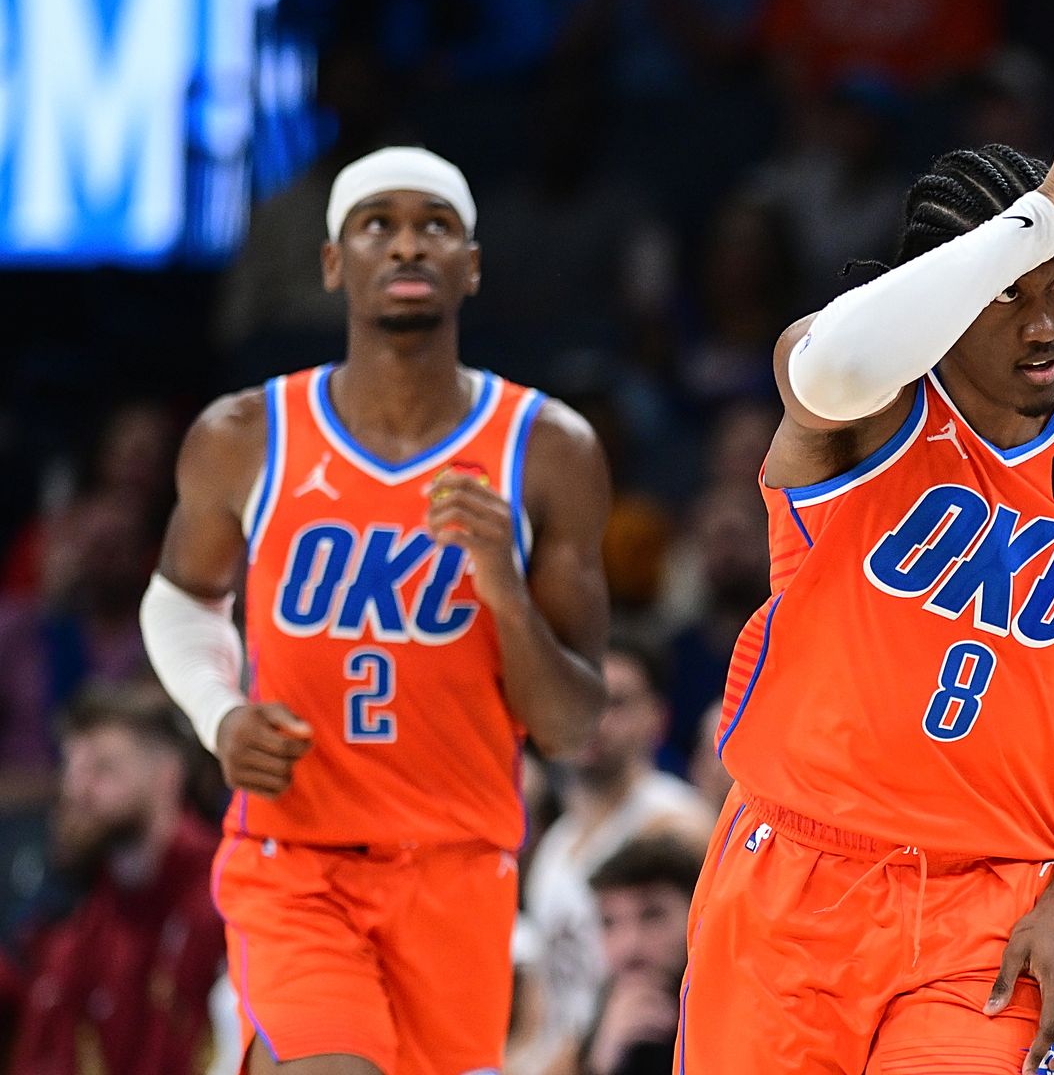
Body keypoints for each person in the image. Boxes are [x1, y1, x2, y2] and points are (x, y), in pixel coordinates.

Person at [676, 50, 1054, 1074]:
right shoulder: (862, 405)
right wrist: (1039, 219)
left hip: (988, 907)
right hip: (792, 878)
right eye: (1007, 292)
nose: (1044, 323)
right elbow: (832, 364)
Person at [139, 146, 612, 1074]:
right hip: (296, 857)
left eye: (435, 225)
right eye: (376, 226)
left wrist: (505, 592)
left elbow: (570, 725)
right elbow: (181, 599)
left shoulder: (550, 449)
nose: (406, 245)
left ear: (472, 266)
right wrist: (218, 712)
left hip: (461, 867)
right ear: (332, 262)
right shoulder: (244, 434)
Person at [3, 685, 226, 1075]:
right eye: (71, 769)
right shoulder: (82, 912)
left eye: (102, 769)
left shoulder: (224, 896)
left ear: (167, 775)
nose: (77, 790)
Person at [522, 637, 712, 1069]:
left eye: (616, 703)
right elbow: (544, 1008)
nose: (595, 719)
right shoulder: (555, 846)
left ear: (657, 718)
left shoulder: (679, 824)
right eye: (581, 701)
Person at [577, 834, 706, 1075]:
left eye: (652, 915)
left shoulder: (732, 1002)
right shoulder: (607, 1002)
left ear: (697, 914)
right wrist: (601, 1063)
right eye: (609, 922)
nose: (629, 945)